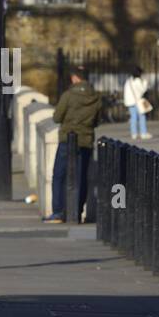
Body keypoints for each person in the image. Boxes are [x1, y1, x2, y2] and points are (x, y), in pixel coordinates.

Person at [44, 64, 103, 223]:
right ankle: (77, 211)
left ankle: (59, 211)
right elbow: (98, 121)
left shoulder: (68, 95)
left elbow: (57, 117)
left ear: (75, 78)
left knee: (59, 175)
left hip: (67, 141)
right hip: (86, 140)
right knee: (82, 177)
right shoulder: (96, 96)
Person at [123, 66, 151, 141]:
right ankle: (143, 133)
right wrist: (145, 83)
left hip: (130, 102)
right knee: (142, 116)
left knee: (133, 117)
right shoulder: (138, 81)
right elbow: (142, 90)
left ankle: (134, 134)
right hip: (137, 101)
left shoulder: (129, 81)